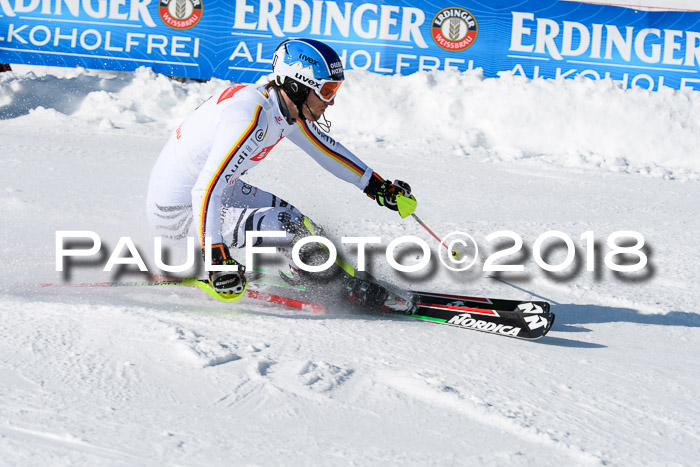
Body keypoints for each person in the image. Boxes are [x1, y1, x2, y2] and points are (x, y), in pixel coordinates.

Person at [146, 38, 417, 305]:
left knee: (304, 225)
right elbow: (205, 189)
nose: (331, 102)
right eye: (326, 90)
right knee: (288, 225)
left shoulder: (282, 107)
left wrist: (377, 186)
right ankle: (336, 286)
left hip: (213, 194)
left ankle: (308, 273)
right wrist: (216, 259)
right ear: (296, 85)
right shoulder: (250, 118)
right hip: (179, 216)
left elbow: (326, 151)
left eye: (334, 89)